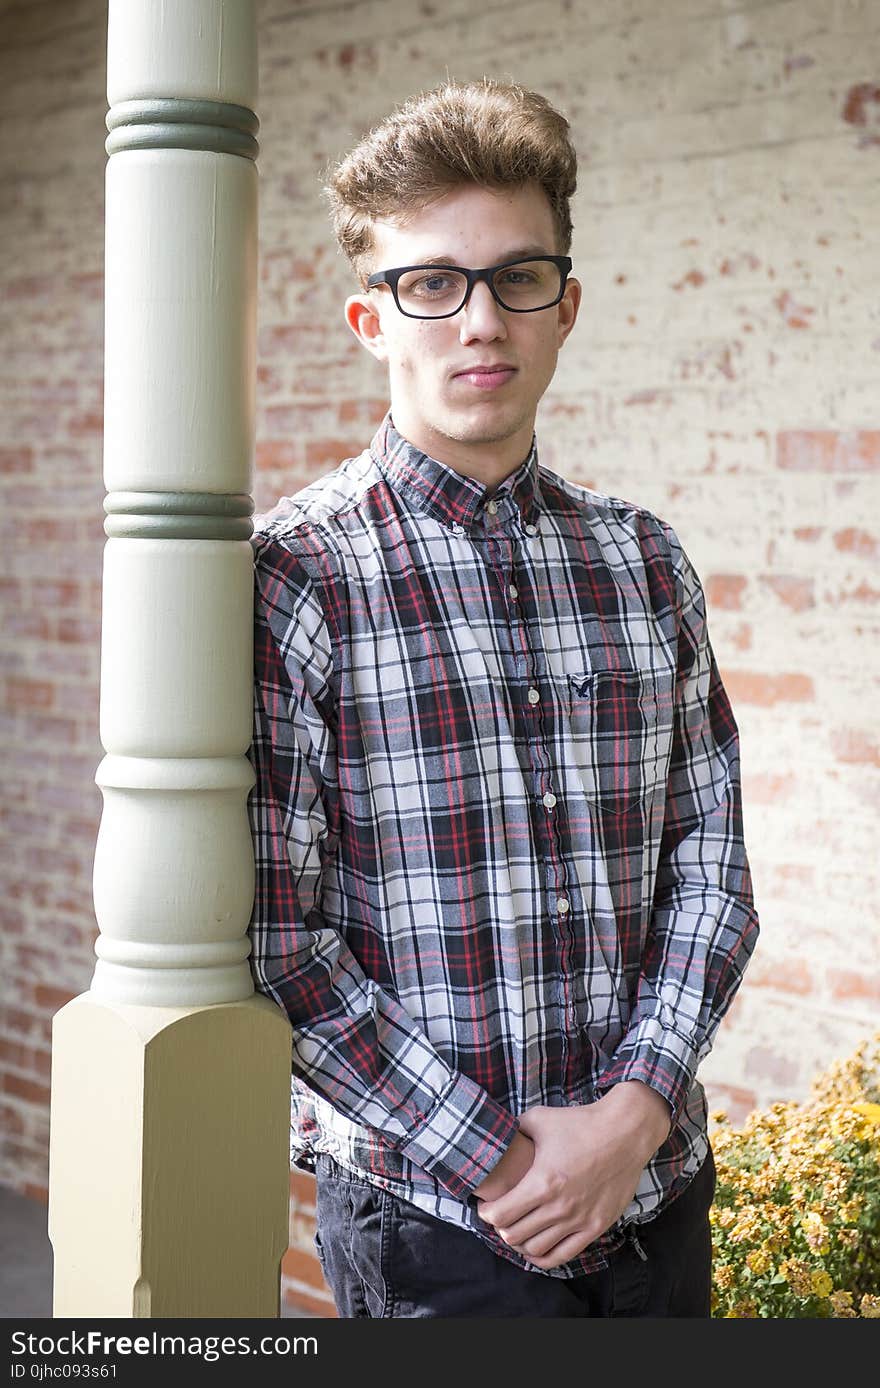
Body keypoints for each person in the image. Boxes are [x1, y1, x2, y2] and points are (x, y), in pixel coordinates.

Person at [246, 77, 760, 1318]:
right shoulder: (295, 576)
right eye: (433, 282)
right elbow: (280, 946)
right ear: (372, 317)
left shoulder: (642, 559)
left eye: (518, 277)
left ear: (565, 304)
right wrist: (513, 1161)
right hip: (437, 1227)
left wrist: (632, 1116)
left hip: (657, 1202)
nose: (480, 320)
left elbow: (712, 864)